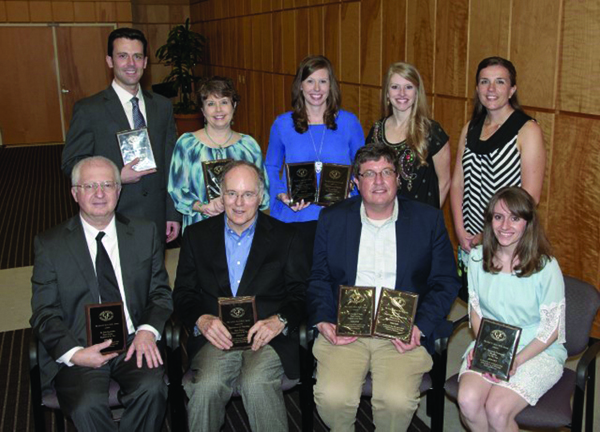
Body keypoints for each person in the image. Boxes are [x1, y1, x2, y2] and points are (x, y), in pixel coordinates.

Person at [307, 145, 460, 431]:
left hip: (403, 332)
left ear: (398, 179)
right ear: (356, 182)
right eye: (369, 174)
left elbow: (445, 281)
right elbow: (319, 277)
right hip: (346, 330)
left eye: (386, 172)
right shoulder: (333, 219)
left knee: (396, 401)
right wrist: (324, 319)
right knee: (333, 398)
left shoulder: (428, 220)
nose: (379, 181)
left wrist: (421, 326)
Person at [30, 156, 173, 431]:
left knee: (152, 388)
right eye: (89, 186)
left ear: (119, 191)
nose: (99, 193)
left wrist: (146, 331)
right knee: (86, 404)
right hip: (81, 344)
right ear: (75, 193)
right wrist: (74, 353)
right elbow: (44, 313)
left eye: (107, 185)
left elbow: (160, 293)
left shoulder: (144, 233)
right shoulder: (50, 245)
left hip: (133, 341)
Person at [173, 160, 308, 431]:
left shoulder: (286, 236)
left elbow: (302, 293)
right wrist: (201, 320)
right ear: (220, 195)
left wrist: (279, 320)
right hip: (216, 337)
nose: (238, 203)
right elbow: (183, 293)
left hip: (268, 337)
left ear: (260, 197)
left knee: (256, 382)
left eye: (247, 194)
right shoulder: (196, 236)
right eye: (231, 193)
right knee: (207, 385)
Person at [457, 186, 566, 431]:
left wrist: (515, 360)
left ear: (527, 223)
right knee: (468, 401)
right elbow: (476, 311)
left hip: (536, 349)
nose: (505, 225)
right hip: (493, 343)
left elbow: (552, 330)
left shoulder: (545, 267)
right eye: (498, 217)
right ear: (490, 221)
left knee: (497, 410)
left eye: (514, 218)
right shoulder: (476, 258)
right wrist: (484, 347)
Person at [61, 27, 181, 244]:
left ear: (145, 62)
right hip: (111, 214)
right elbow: (71, 163)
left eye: (137, 57)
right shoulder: (89, 110)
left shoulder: (162, 107)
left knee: (154, 277)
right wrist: (115, 175)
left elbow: (171, 162)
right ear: (110, 61)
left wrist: (172, 213)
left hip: (156, 215)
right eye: (122, 56)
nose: (131, 64)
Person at [450, 56, 546, 290]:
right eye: (484, 82)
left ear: (512, 89)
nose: (491, 89)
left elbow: (530, 196)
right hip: (470, 240)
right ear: (477, 88)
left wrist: (486, 234)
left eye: (500, 82)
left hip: (507, 242)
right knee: (476, 307)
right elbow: (457, 184)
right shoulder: (470, 127)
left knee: (505, 313)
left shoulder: (527, 130)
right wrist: (461, 231)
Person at [265, 55, 364, 223]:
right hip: (295, 215)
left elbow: (362, 165)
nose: (316, 88)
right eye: (310, 81)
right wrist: (282, 194)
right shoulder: (282, 124)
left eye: (323, 81)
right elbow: (271, 166)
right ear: (300, 86)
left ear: (331, 86)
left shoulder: (349, 123)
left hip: (339, 215)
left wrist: (351, 190)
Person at [168, 76, 269, 232]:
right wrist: (203, 207)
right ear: (202, 110)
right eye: (210, 104)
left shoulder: (249, 146)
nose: (218, 110)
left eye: (224, 102)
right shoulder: (187, 144)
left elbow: (264, 194)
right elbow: (176, 190)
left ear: (234, 105)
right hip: (200, 229)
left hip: (243, 230)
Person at [366, 62, 451, 208]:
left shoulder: (432, 131)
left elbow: (444, 182)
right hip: (383, 217)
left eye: (408, 87)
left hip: (420, 220)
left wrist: (430, 218)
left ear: (417, 92)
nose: (402, 93)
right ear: (387, 93)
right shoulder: (376, 131)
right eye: (395, 87)